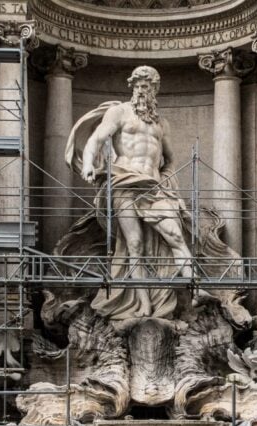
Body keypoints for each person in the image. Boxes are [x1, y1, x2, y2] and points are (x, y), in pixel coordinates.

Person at [65, 66, 198, 321]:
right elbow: (96, 138)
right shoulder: (119, 112)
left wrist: (168, 178)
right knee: (134, 244)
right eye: (137, 85)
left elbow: (169, 159)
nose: (140, 90)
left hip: (152, 187)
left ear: (154, 90)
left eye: (146, 86)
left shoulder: (162, 124)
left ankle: (197, 290)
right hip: (124, 181)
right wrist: (90, 164)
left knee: (177, 237)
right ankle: (145, 306)